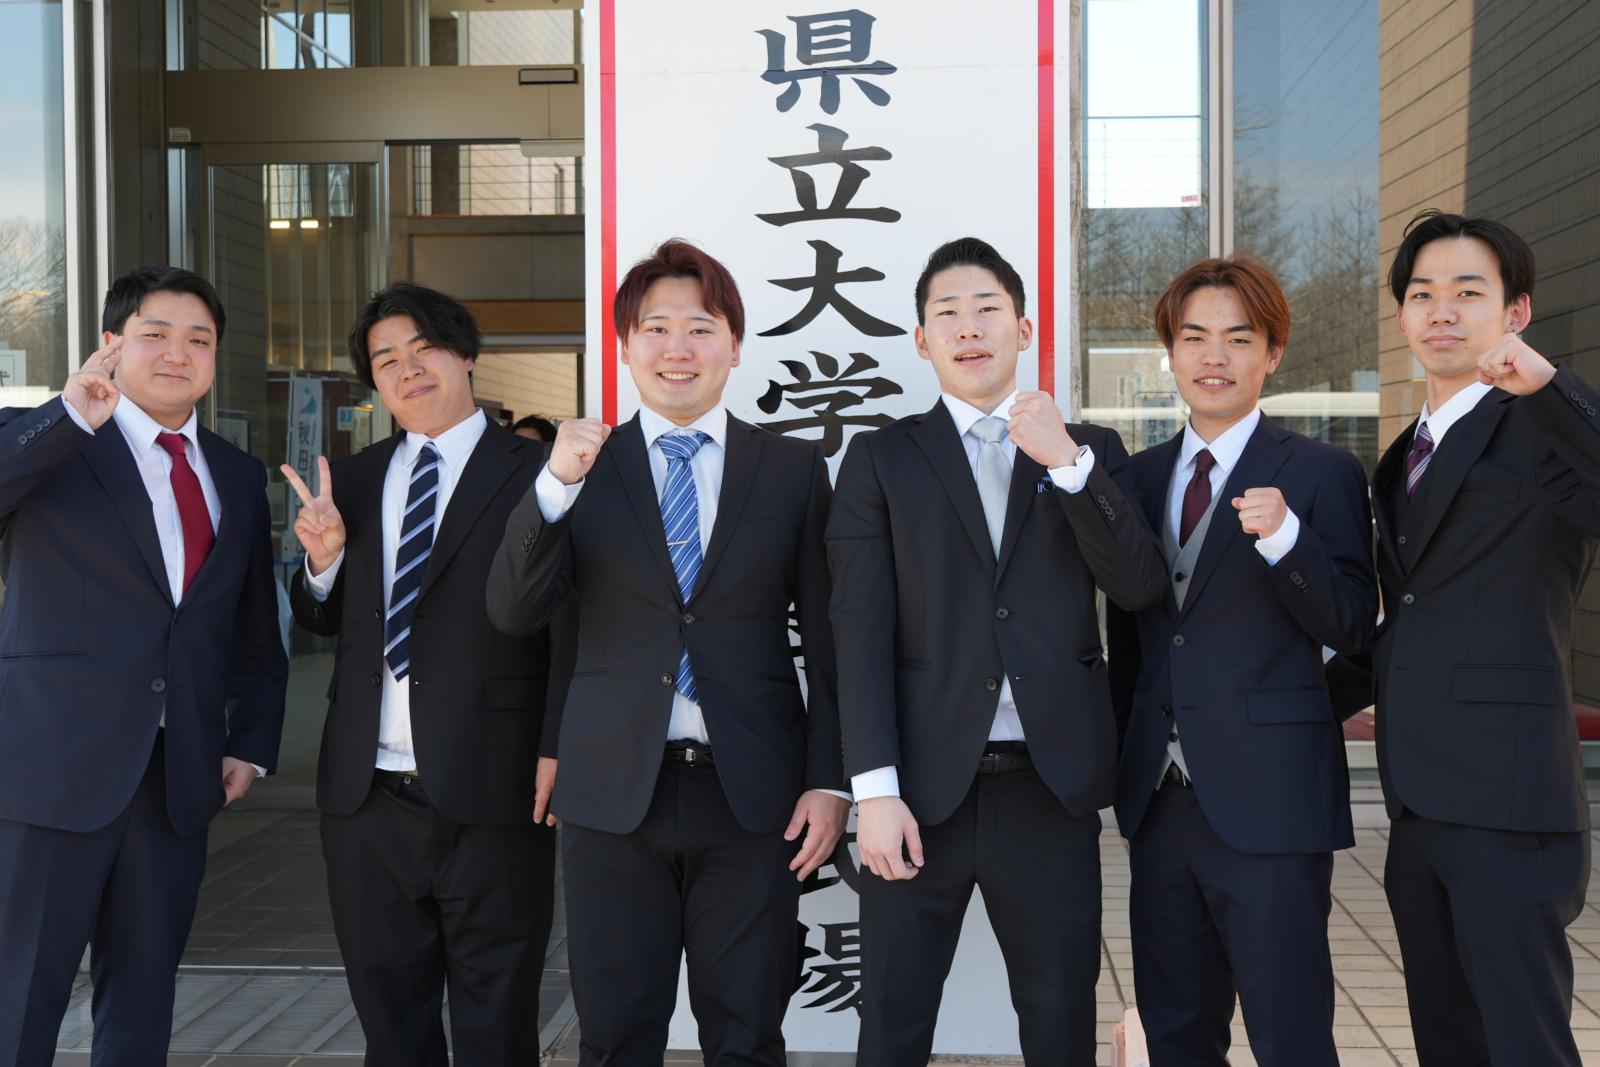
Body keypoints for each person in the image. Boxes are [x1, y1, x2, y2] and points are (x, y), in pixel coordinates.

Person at [487, 239, 848, 1065]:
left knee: (748, 1034)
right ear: (625, 346)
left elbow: (832, 640)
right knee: (616, 1035)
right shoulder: (578, 465)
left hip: (754, 795)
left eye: (700, 327)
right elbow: (514, 609)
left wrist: (830, 780)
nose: (677, 348)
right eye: (656, 328)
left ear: (734, 345)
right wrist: (555, 487)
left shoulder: (791, 469)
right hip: (613, 792)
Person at [826, 236, 1167, 1065]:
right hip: (918, 792)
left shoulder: (1088, 448)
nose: (969, 328)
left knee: (1059, 1021)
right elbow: (857, 632)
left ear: (1024, 328)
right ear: (922, 340)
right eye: (948, 313)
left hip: (1049, 787)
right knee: (893, 1023)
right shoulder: (880, 458)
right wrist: (874, 790)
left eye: (987, 310)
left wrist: (1070, 465)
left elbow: (1137, 585)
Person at [1329, 210, 1600, 1066]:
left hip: (1510, 803)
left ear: (1515, 311)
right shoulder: (1403, 455)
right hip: (1418, 806)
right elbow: (1407, 621)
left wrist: (1549, 386)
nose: (1441, 310)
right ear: (1403, 315)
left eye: (1468, 292)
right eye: (1422, 293)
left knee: (1524, 1044)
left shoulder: (1543, 427)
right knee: (1448, 1041)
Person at [0, 266, 287, 1066]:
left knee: (143, 1001)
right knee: (19, 998)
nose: (177, 353)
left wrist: (251, 739)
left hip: (175, 779)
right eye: (154, 334)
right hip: (51, 774)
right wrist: (67, 416)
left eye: (199, 339)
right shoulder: (53, 442)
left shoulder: (234, 471)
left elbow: (251, 626)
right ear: (111, 344)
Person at [285, 283, 566, 1067]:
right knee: (391, 1023)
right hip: (366, 797)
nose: (407, 369)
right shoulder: (354, 479)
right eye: (385, 360)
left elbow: (572, 627)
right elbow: (320, 619)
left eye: (424, 348)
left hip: (497, 787)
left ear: (465, 353)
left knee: (497, 1021)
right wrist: (322, 562)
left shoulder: (540, 472)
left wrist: (557, 745)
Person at [1105, 257, 1377, 1066]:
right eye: (1194, 337)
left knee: (1290, 1033)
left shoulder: (1323, 472)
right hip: (1161, 802)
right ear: (1170, 353)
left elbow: (1355, 627)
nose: (1214, 356)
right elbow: (1132, 644)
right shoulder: (1138, 476)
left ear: (1273, 353)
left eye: (1238, 337)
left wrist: (1289, 540)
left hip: (1275, 800)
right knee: (1176, 1032)